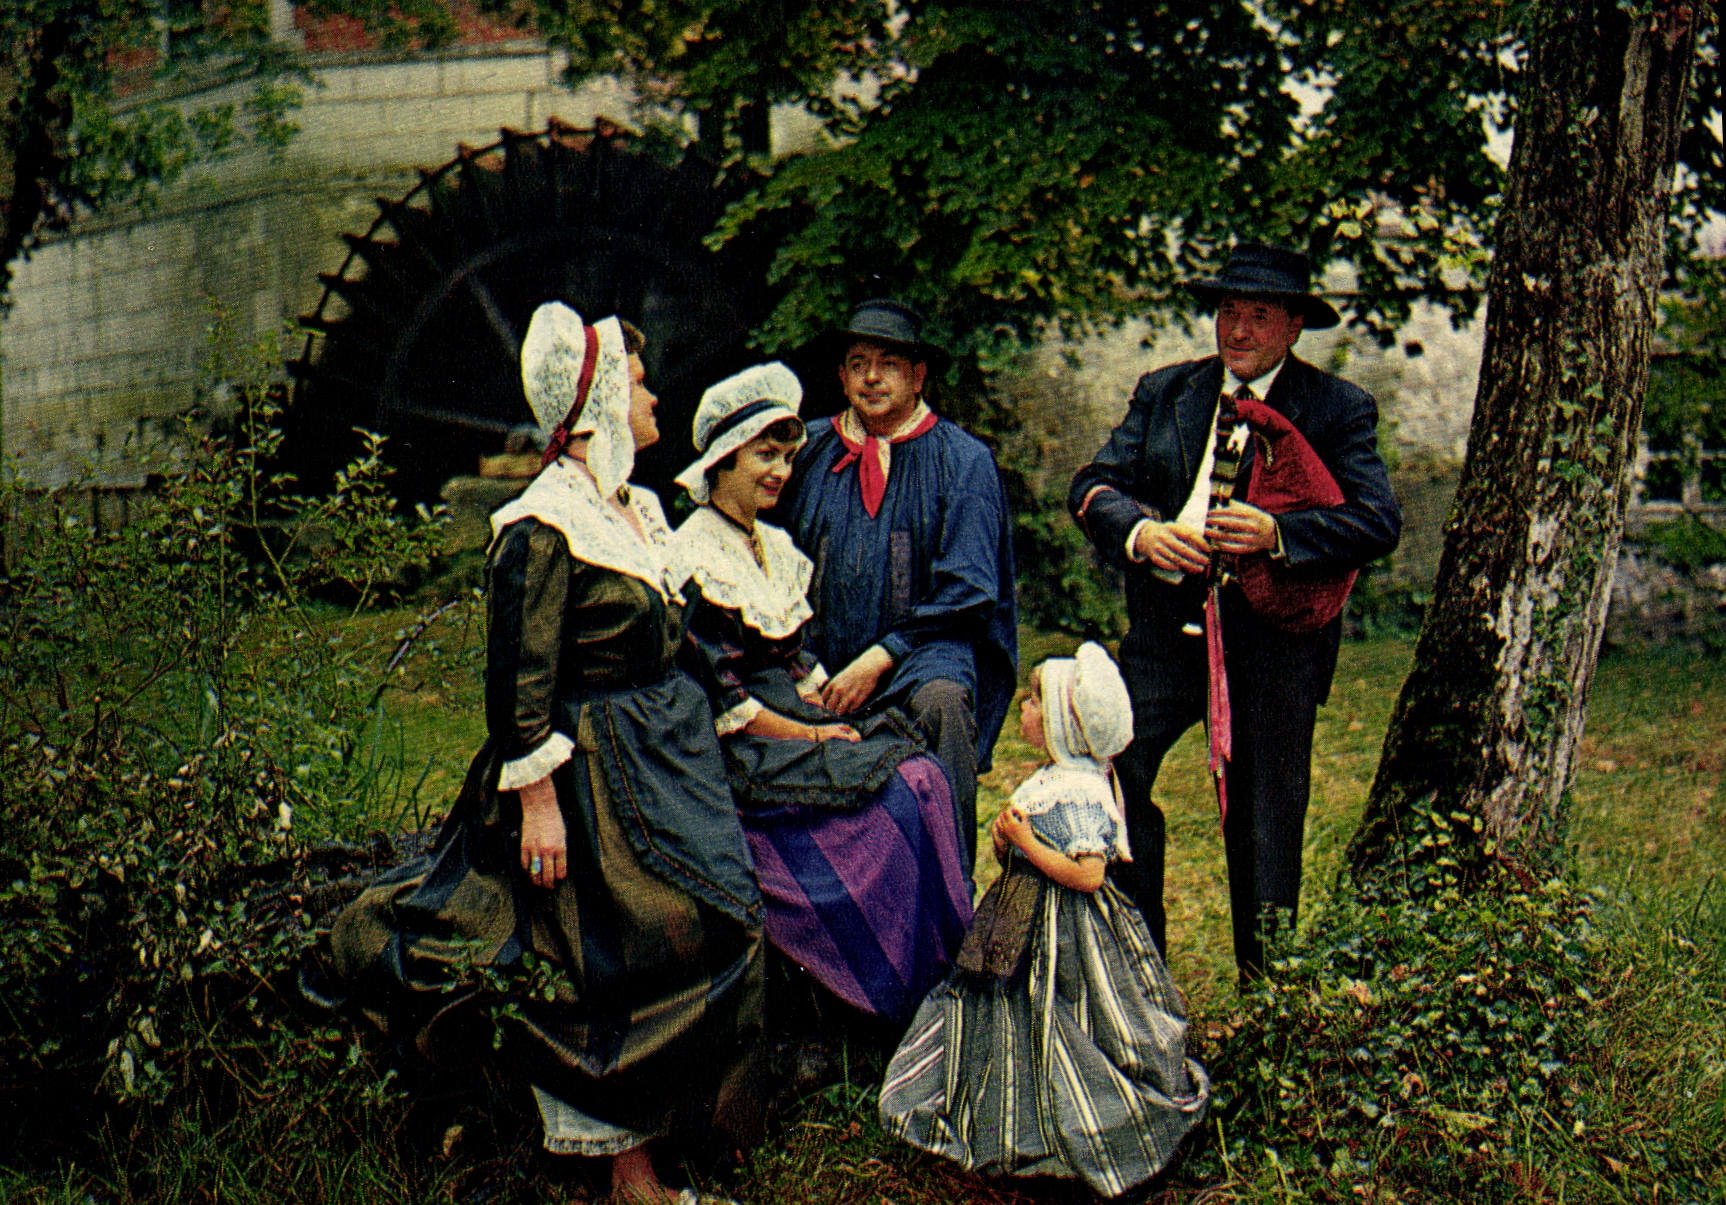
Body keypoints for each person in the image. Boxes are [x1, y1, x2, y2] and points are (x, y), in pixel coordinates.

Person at [308, 303, 761, 1205]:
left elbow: (678, 634)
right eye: (637, 380)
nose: (654, 393)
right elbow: (518, 677)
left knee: (727, 918)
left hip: (661, 763)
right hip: (587, 770)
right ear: (597, 399)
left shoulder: (634, 509)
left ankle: (674, 1140)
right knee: (627, 947)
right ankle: (629, 1167)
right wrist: (541, 803)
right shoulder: (541, 524)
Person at [1068, 242, 1401, 977]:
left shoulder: (1335, 408)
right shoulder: (1169, 391)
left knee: (1266, 818)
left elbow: (1378, 520)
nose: (1238, 331)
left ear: (1292, 327)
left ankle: (1267, 997)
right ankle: (1136, 969)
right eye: (1227, 312)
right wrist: (1141, 532)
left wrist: (1279, 533)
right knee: (1112, 771)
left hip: (1272, 642)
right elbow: (1094, 482)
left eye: (1257, 316)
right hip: (1166, 635)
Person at [667, 362, 974, 1026]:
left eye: (785, 457)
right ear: (723, 460)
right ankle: (884, 988)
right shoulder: (693, 554)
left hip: (796, 721)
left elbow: (796, 658)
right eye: (763, 456)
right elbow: (730, 704)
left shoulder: (772, 544)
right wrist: (814, 734)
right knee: (907, 788)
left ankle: (945, 970)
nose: (779, 471)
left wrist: (834, 707)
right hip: (749, 752)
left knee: (925, 774)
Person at [879, 643, 1211, 1199]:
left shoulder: (1082, 789)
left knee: (1067, 1019)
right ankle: (1014, 1108)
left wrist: (1026, 842)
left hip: (1070, 933)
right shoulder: (1054, 778)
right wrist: (1008, 842)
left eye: (1034, 703)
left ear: (1062, 722)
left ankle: (1080, 1121)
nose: (1023, 711)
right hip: (1020, 923)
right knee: (1008, 1012)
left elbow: (1087, 876)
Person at [778, 298, 1017, 871]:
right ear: (840, 376)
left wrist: (882, 657)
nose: (872, 377)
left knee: (943, 702)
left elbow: (968, 590)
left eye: (888, 363)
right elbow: (762, 556)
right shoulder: (804, 450)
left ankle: (948, 903)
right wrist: (800, 662)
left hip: (920, 658)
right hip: (811, 654)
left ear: (918, 375)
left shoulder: (963, 461)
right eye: (858, 363)